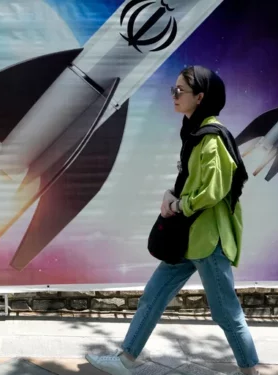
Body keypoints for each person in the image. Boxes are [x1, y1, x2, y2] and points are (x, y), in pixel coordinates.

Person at [85, 66, 260, 375]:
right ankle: (126, 359)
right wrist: (171, 193)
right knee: (153, 296)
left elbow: (214, 191)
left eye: (181, 91)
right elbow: (192, 180)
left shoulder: (212, 138)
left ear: (201, 97)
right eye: (173, 89)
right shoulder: (193, 133)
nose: (175, 95)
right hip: (186, 238)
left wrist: (180, 204)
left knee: (226, 312)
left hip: (207, 241)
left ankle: (249, 371)